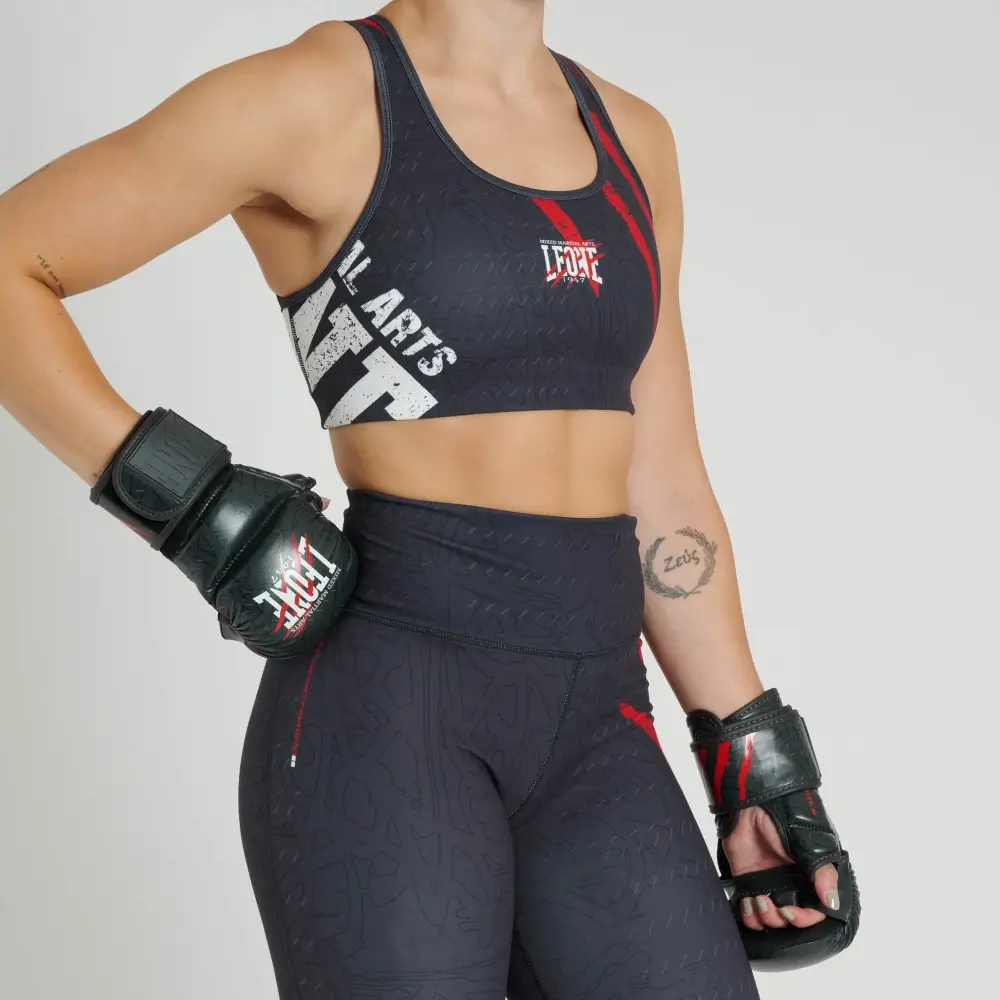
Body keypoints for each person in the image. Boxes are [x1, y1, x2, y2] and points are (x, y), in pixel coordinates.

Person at [0, 1, 856, 997]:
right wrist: (197, 510)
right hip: (389, 716)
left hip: (601, 726)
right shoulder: (315, 96)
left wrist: (749, 757)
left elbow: (662, 475)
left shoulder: (634, 139)